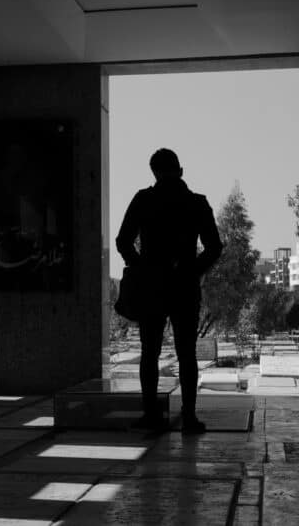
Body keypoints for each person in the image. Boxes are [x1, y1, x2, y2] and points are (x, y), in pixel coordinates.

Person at [115, 148, 223, 433]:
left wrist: (141, 268)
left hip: (152, 287)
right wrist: (192, 271)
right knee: (186, 353)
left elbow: (123, 241)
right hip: (185, 288)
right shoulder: (197, 203)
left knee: (149, 352)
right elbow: (214, 248)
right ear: (181, 170)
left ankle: (151, 416)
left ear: (154, 172)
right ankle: (189, 417)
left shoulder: (144, 200)